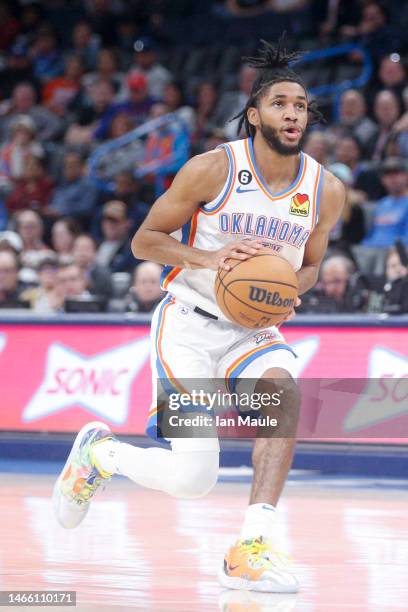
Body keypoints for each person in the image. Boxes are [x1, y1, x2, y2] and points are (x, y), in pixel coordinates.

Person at [52, 38, 344, 593]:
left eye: (301, 105)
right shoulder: (213, 169)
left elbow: (308, 269)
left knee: (284, 396)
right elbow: (144, 241)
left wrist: (288, 291)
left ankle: (250, 547)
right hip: (187, 324)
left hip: (253, 331)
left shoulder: (325, 190)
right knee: (192, 479)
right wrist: (207, 258)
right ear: (255, 114)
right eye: (281, 103)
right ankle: (100, 454)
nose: (293, 113)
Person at [362, 157, 408, 247]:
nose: (392, 178)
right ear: (382, 180)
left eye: (396, 173)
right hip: (372, 252)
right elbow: (371, 235)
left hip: (397, 253)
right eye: (387, 174)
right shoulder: (382, 204)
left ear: (406, 176)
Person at [95, 200, 136, 273]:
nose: (110, 224)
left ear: (126, 224)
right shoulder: (95, 244)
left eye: (115, 221)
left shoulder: (132, 250)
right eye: (107, 219)